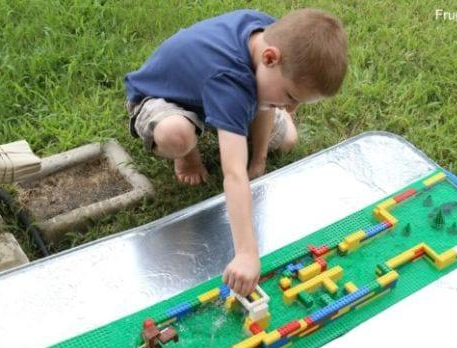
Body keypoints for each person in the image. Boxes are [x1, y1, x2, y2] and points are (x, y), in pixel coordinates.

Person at [124, 8, 348, 296]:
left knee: (287, 138)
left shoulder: (273, 39)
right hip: (164, 98)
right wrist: (246, 254)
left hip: (226, 91)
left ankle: (238, 116)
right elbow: (233, 174)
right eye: (291, 97)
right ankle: (187, 154)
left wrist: (259, 160)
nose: (292, 107)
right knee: (177, 135)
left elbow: (264, 106)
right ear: (269, 58)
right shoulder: (230, 79)